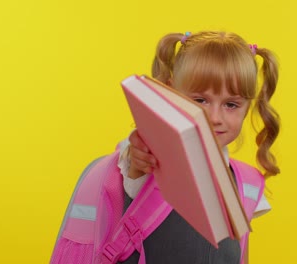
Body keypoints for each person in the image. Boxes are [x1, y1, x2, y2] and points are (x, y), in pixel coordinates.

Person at [51, 30, 281, 264]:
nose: (214, 117)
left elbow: (240, 254)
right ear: (171, 92)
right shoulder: (149, 159)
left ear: (247, 106)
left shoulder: (247, 183)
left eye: (231, 104)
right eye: (200, 100)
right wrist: (139, 155)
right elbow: (135, 163)